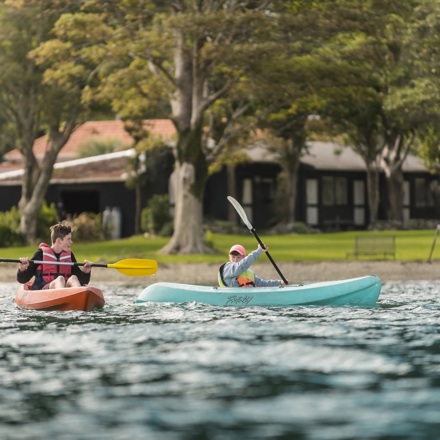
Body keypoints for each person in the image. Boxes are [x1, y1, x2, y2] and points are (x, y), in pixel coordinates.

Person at [17, 223, 92, 290]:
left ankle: (77, 299)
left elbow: (82, 281)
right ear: (59, 241)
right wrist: (22, 269)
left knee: (74, 278)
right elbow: (22, 280)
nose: (71, 242)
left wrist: (86, 272)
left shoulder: (69, 256)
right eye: (68, 239)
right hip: (43, 289)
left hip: (64, 290)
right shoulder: (40, 254)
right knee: (60, 279)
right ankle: (62, 298)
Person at [218, 243, 288, 288]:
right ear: (229, 257)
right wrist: (258, 251)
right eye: (233, 257)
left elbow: (261, 283)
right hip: (233, 301)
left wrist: (279, 282)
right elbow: (241, 265)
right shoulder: (228, 268)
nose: (235, 260)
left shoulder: (248, 271)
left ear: (243, 258)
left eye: (238, 257)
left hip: (248, 302)